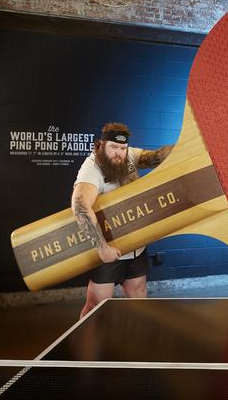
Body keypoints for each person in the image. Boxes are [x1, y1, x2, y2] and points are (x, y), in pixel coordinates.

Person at [72, 122, 172, 318]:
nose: (119, 153)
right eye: (113, 147)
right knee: (96, 307)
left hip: (136, 247)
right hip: (108, 250)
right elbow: (81, 207)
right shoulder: (91, 168)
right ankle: (85, 348)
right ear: (100, 145)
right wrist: (102, 249)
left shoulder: (130, 156)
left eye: (123, 148)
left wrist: (191, 144)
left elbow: (158, 156)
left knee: (138, 295)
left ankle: (136, 343)